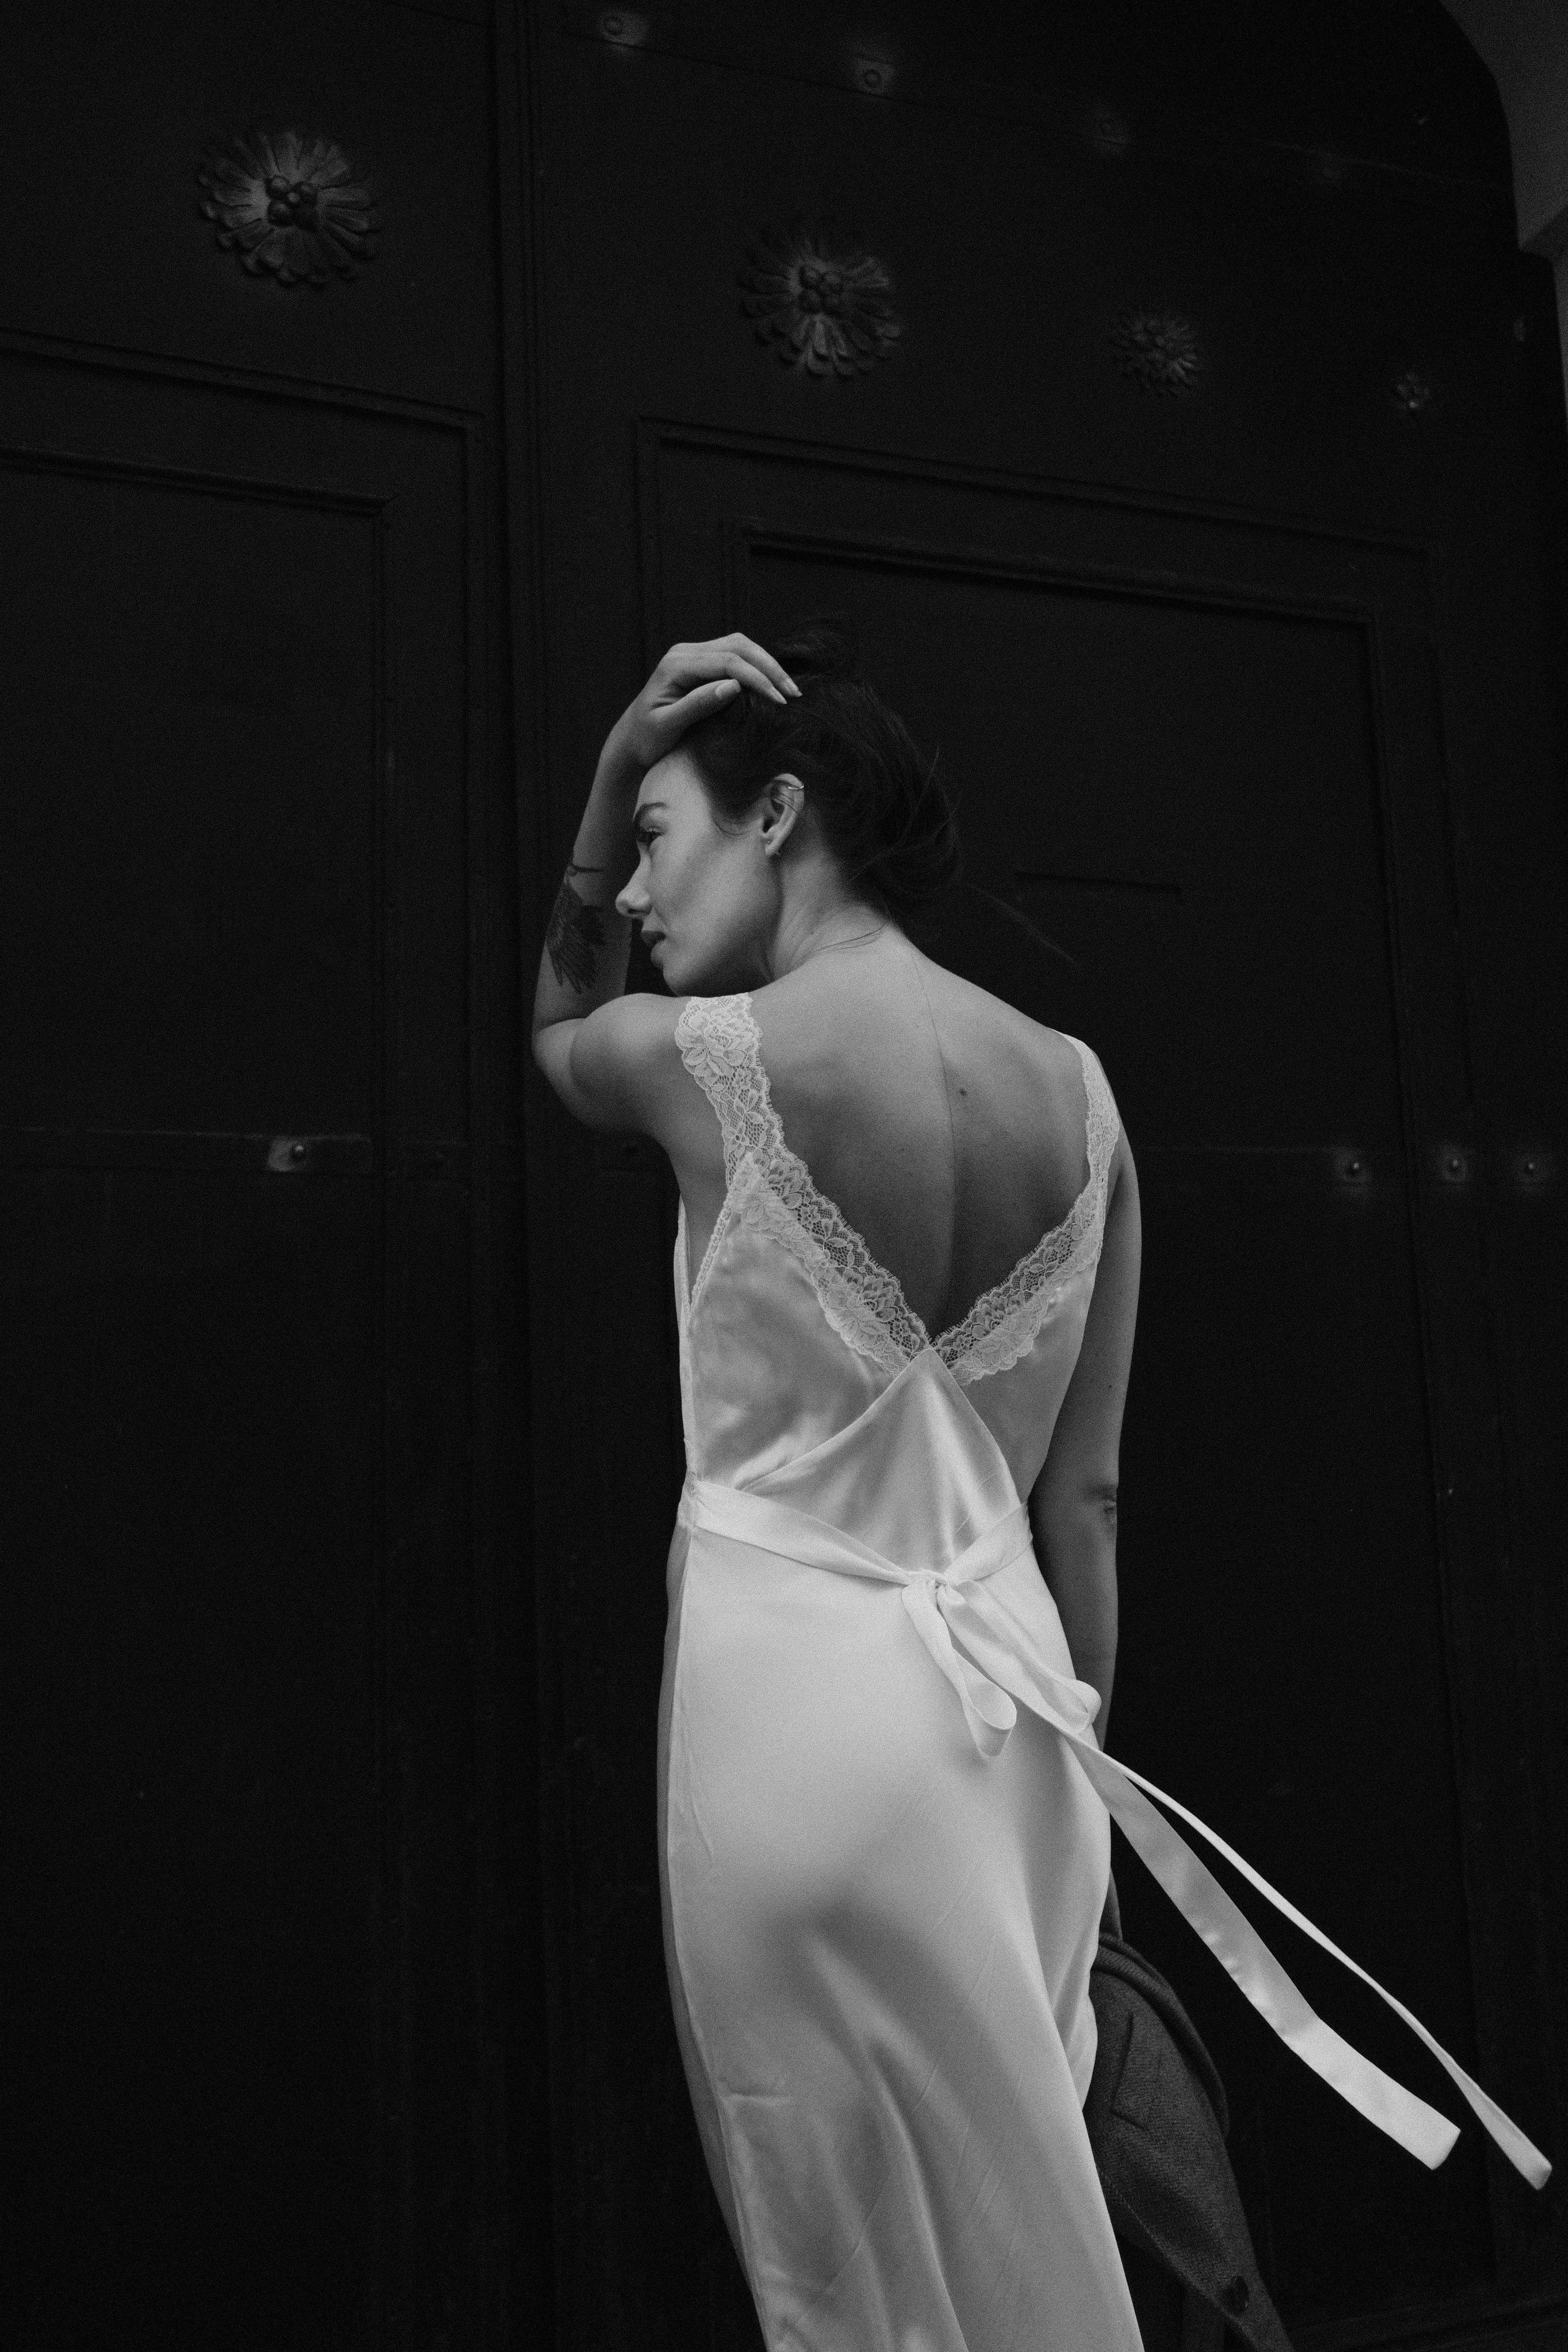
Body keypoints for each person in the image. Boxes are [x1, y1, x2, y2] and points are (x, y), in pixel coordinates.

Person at [532, 625, 1547, 2351]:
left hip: (788, 1718)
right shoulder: (1079, 1093)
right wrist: (1057, 1777)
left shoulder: (703, 1062)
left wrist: (594, 773)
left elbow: (552, 1029)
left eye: (658, 836)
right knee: (1033, 2207)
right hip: (1011, 1725)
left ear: (777, 815)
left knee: (844, 2253)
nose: (633, 889)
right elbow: (1086, 1508)